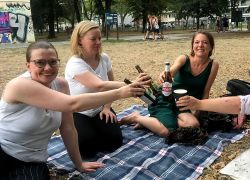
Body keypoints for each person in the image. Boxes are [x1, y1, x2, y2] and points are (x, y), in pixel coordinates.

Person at [0, 41, 147, 179]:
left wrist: (79, 164)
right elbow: (72, 104)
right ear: (28, 65)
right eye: (40, 62)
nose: (48, 68)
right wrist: (120, 92)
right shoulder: (19, 85)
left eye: (53, 62)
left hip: (32, 160)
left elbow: (68, 128)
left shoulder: (61, 85)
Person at [65, 20, 150, 158]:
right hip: (80, 111)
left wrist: (106, 108)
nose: (98, 42)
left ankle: (95, 131)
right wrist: (132, 84)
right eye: (93, 39)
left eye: (99, 38)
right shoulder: (75, 63)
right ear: (80, 41)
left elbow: (111, 83)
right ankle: (89, 134)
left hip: (100, 108)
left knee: (115, 142)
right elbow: (100, 85)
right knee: (86, 150)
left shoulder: (104, 58)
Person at [120, 31, 220, 137]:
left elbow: (206, 92)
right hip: (165, 97)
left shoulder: (213, 65)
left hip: (182, 104)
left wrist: (198, 113)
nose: (200, 45)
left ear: (211, 47)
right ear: (192, 46)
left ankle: (155, 121)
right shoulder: (184, 59)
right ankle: (136, 117)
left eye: (205, 42)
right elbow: (171, 71)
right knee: (167, 132)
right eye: (197, 42)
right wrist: (165, 74)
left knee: (193, 125)